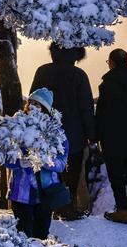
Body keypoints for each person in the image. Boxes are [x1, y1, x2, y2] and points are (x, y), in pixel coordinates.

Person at [30, 42, 95, 220]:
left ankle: (46, 206)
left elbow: (33, 100)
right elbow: (86, 107)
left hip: (46, 132)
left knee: (46, 169)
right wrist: (92, 135)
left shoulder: (42, 71)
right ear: (76, 55)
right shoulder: (79, 75)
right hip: (74, 133)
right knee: (72, 171)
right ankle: (67, 206)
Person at [8, 88, 70, 239]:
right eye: (31, 103)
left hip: (45, 194)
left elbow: (62, 164)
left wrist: (44, 161)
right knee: (23, 237)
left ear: (46, 110)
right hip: (21, 195)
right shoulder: (16, 129)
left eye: (38, 104)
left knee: (41, 237)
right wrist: (18, 162)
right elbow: (4, 158)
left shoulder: (56, 134)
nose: (33, 107)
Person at [96, 48, 127, 224]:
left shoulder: (107, 84)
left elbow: (102, 113)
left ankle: (122, 209)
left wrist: (96, 135)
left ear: (112, 62)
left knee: (116, 174)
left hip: (114, 137)